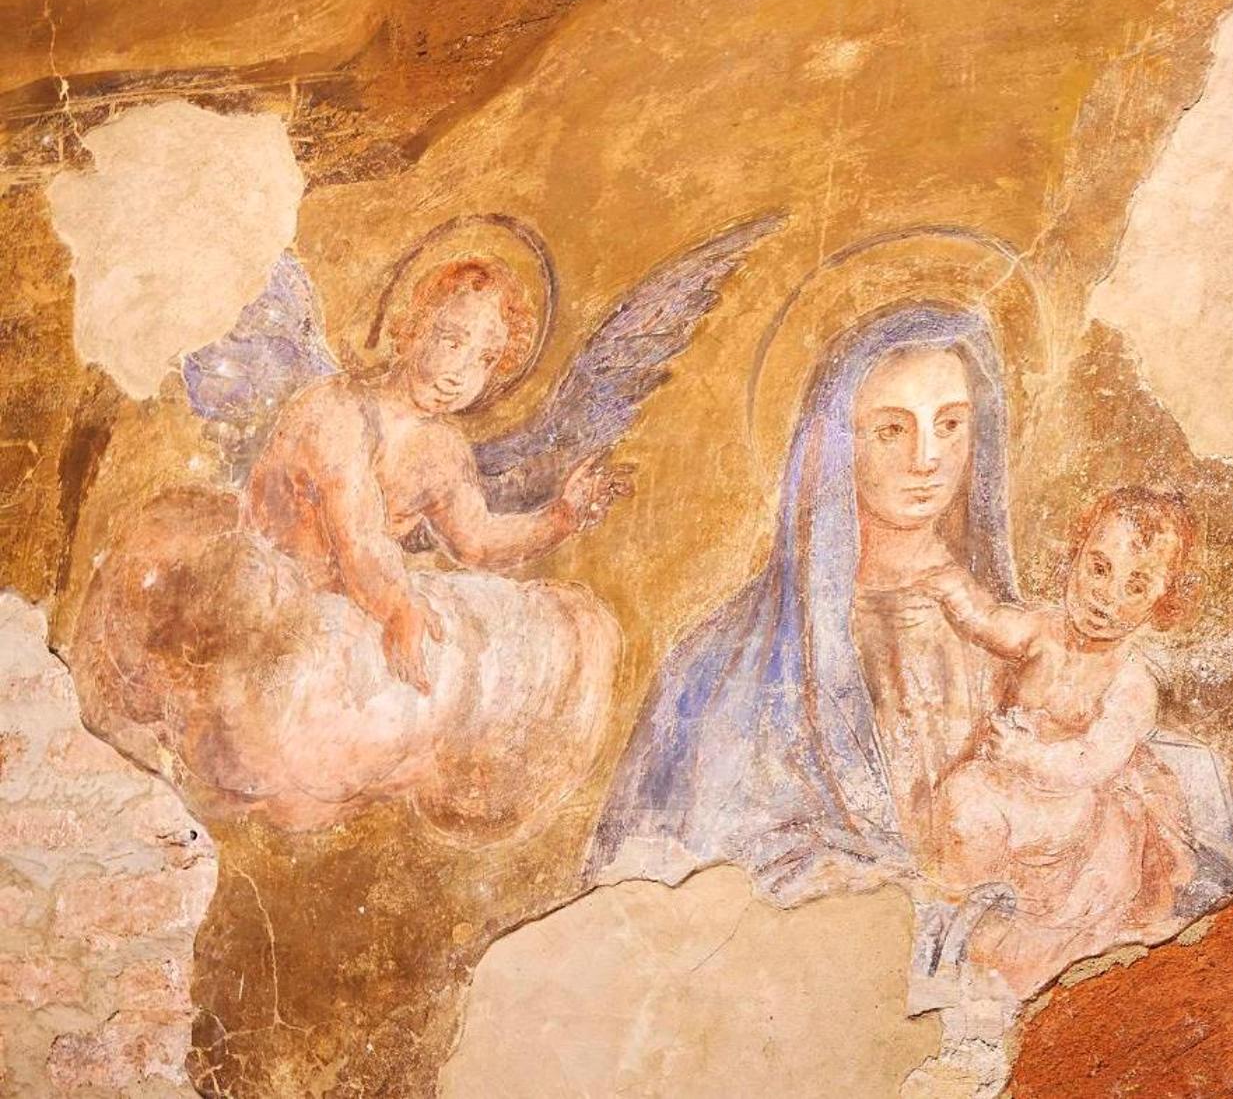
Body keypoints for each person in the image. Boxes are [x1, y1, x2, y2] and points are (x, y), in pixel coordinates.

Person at [73, 256, 626, 835]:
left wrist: (561, 517)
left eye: (486, 358)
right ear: (411, 327)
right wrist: (397, 607)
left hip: (353, 603)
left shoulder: (442, 448)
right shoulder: (337, 409)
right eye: (452, 340)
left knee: (540, 636)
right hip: (265, 603)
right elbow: (356, 532)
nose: (462, 372)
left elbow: (478, 542)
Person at [588, 302, 1021, 901]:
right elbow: (680, 861)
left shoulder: (1011, 636)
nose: (927, 458)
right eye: (892, 430)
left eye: (950, 425)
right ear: (836, 445)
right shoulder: (726, 663)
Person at [919, 486, 1198, 994]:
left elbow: (1094, 760)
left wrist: (1029, 755)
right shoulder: (1042, 630)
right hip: (1008, 782)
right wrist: (949, 587)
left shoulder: (1132, 681)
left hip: (1076, 805)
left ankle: (1008, 949)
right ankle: (954, 917)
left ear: (1163, 601)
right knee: (962, 800)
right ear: (1076, 555)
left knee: (1055, 913)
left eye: (1135, 586)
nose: (1105, 595)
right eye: (1099, 568)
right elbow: (988, 623)